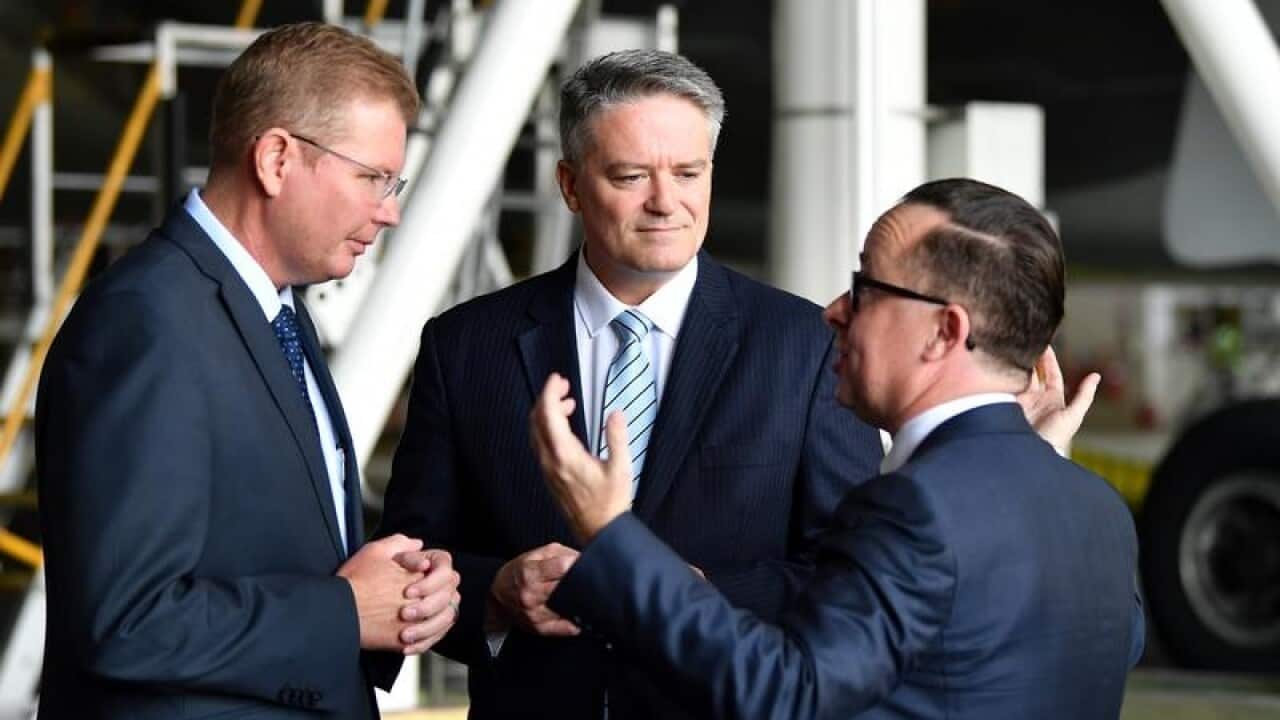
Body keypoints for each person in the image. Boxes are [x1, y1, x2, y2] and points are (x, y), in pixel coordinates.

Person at [374, 49, 883, 718]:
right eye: (631, 174)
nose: (665, 201)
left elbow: (852, 576)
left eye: (688, 172)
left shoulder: (806, 345)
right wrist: (495, 593)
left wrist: (689, 595)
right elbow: (414, 556)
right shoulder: (467, 345)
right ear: (570, 185)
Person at [533, 178, 1146, 719]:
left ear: (945, 332)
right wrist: (1024, 465)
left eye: (866, 288)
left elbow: (786, 694)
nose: (834, 312)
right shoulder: (1097, 509)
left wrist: (612, 535)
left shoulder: (916, 508)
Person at [35, 22, 459, 719]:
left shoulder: (278, 315)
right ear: (276, 159)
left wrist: (397, 597)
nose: (389, 212)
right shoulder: (147, 323)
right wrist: (346, 611)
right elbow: (126, 622)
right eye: (373, 178)